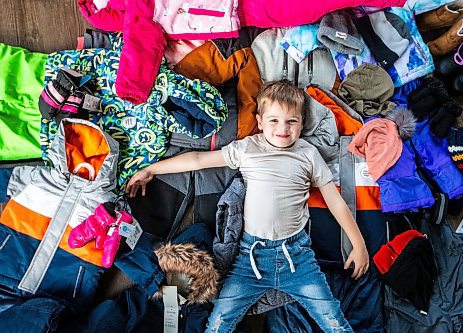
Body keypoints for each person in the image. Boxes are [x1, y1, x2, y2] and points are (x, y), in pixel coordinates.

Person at [126, 80, 369, 332]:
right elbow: (198, 159)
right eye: (274, 120)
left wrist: (358, 244)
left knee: (334, 322)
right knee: (218, 324)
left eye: (291, 121)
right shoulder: (248, 148)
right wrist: (151, 169)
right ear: (260, 121)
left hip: (298, 258)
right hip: (250, 258)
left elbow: (335, 201)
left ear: (301, 122)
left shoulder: (307, 153)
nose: (282, 129)